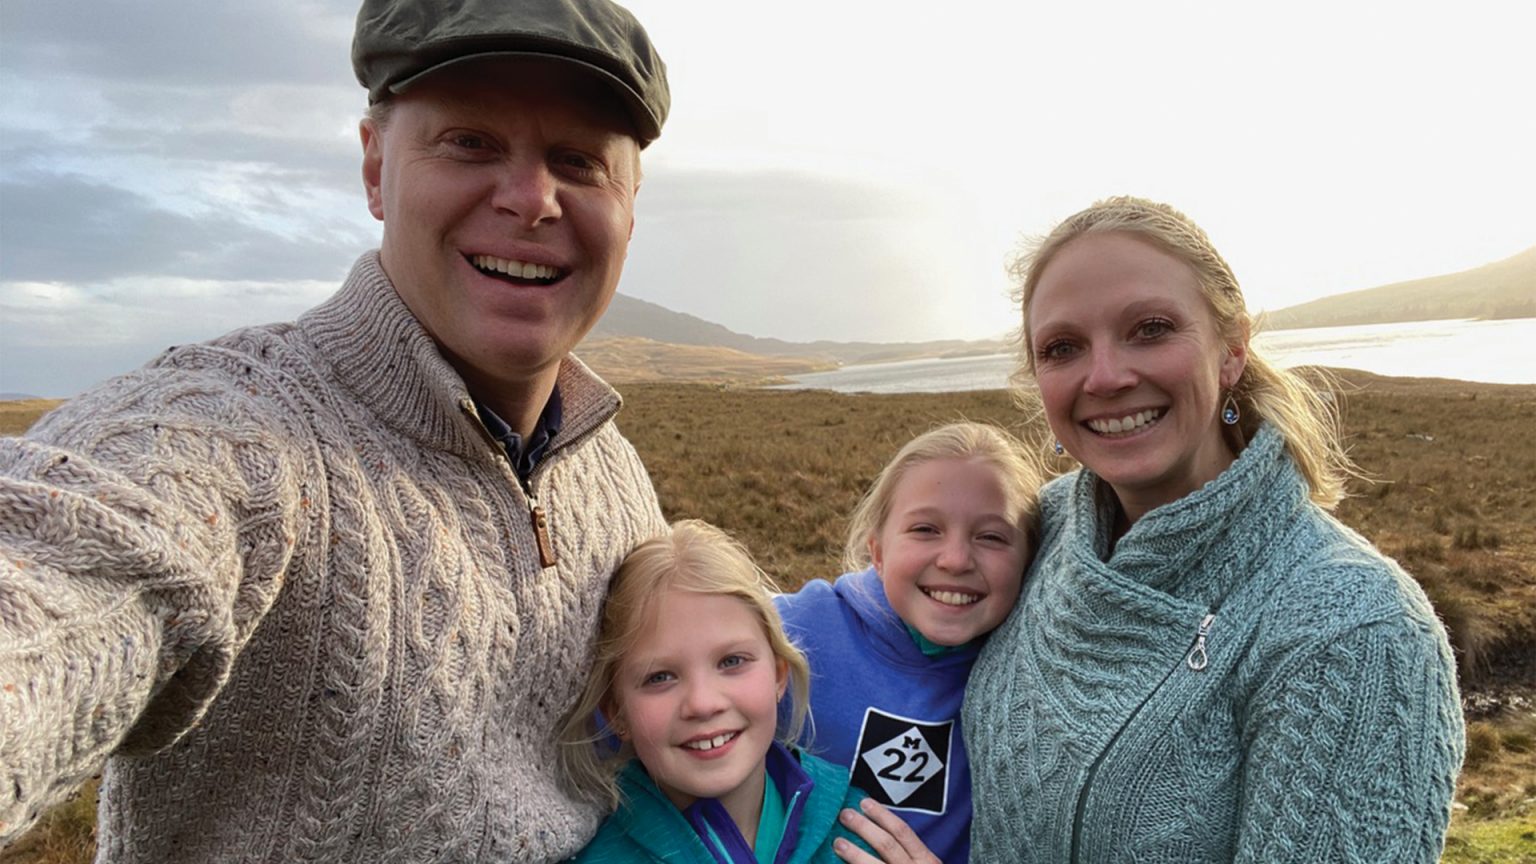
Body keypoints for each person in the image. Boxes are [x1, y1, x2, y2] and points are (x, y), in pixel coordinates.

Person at [0, 0, 673, 860]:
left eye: (578, 160)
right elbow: (63, 568)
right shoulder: (232, 435)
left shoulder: (613, 474)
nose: (531, 198)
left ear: (630, 208)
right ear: (374, 168)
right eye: (470, 142)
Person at [963, 196, 1466, 862]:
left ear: (1231, 351)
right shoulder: (1037, 529)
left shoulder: (1356, 630)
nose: (1105, 376)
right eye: (1062, 348)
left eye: (1150, 329)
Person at [774, 422, 1044, 863]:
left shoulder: (1034, 677)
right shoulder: (793, 632)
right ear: (878, 552)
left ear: (1029, 560)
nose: (955, 560)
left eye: (991, 537)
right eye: (925, 529)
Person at [559, 520, 875, 863]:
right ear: (616, 713)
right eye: (660, 677)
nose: (703, 703)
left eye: (732, 661)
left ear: (778, 675)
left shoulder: (861, 831)